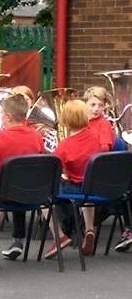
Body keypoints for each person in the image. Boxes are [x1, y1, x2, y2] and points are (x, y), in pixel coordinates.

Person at [0, 94, 44, 262]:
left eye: (2, 113)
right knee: (19, 181)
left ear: (8, 116)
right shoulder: (36, 136)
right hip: (29, 191)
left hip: (3, 193)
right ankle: (17, 240)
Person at [44, 99, 105, 259]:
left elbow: (55, 172)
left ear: (65, 120)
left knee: (42, 196)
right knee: (87, 185)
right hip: (93, 188)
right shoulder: (94, 137)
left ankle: (59, 236)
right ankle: (89, 228)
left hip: (74, 189)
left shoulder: (64, 146)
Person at [83, 86, 114, 151]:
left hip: (95, 159)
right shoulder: (80, 121)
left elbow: (105, 148)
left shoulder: (104, 124)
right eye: (93, 105)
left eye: (101, 105)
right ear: (85, 104)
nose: (96, 109)